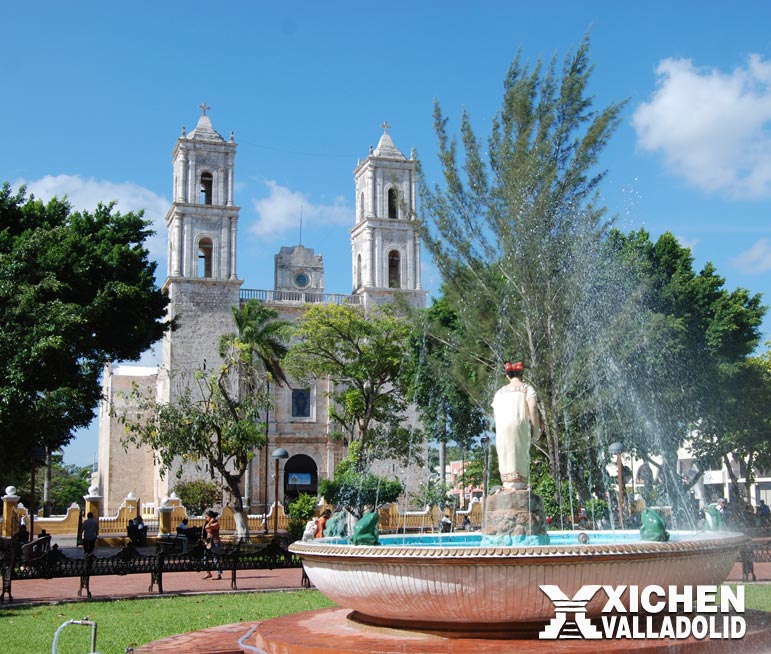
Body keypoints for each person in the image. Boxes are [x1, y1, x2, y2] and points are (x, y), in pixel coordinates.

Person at [491, 361, 541, 490]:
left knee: (505, 453)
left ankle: (508, 484)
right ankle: (519, 484)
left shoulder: (500, 392)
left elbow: (495, 414)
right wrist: (536, 429)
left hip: (502, 427)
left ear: (508, 376)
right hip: (519, 424)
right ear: (522, 375)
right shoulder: (527, 388)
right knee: (520, 451)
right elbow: (533, 407)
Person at [203, 510, 222, 580]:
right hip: (209, 542)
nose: (206, 519)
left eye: (207, 517)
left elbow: (206, 527)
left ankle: (219, 574)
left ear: (211, 517)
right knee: (205, 558)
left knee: (215, 558)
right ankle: (208, 573)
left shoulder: (216, 524)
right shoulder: (209, 523)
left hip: (215, 543)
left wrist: (211, 521)